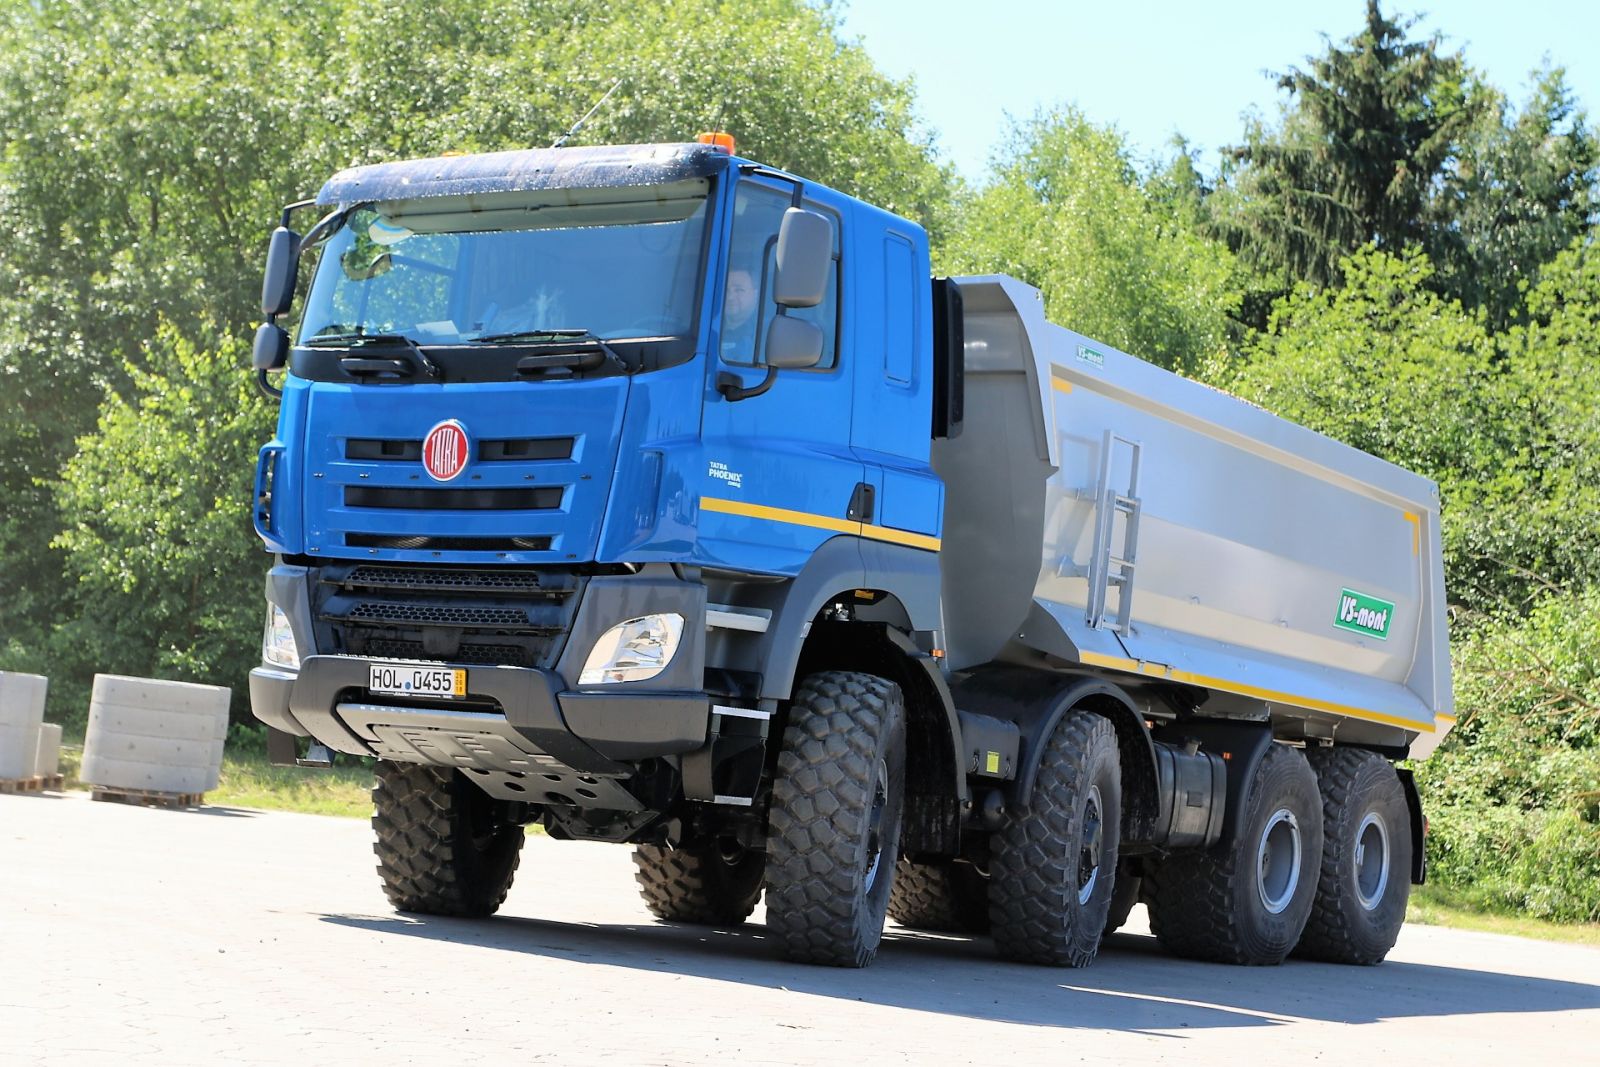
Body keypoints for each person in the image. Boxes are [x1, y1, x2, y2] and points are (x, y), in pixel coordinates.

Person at [721, 265, 759, 356]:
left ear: (755, 294)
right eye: (726, 290)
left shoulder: (769, 333)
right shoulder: (704, 328)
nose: (730, 297)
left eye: (739, 290)